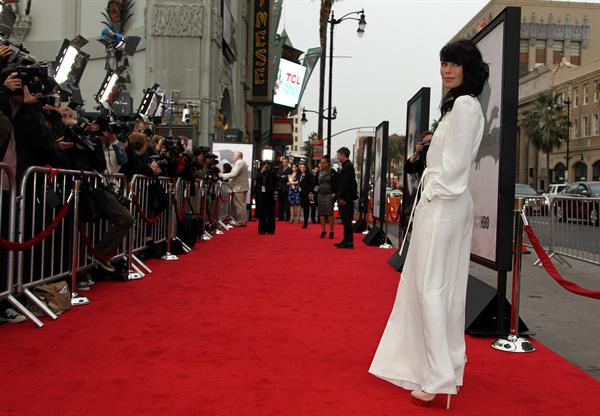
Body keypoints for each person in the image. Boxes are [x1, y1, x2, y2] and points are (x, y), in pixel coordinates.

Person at [369, 39, 488, 410]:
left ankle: (438, 376)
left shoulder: (466, 107)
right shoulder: (460, 107)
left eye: (454, 64)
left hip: (443, 204)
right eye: (443, 63)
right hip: (444, 204)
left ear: (468, 68)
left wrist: (431, 193)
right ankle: (448, 365)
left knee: (431, 289)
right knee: (441, 289)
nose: (447, 70)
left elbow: (453, 170)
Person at [334, 147, 357, 248]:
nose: (337, 157)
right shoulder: (346, 166)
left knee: (347, 220)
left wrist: (341, 197)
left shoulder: (348, 166)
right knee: (345, 220)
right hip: (345, 197)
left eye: (338, 155)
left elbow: (345, 184)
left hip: (346, 198)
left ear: (343, 155)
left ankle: (349, 241)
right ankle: (346, 239)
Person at [219, 151, 249, 226]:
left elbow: (234, 174)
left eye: (234, 156)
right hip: (240, 187)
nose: (233, 157)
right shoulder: (242, 163)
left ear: (238, 156)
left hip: (239, 187)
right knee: (240, 204)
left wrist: (223, 175)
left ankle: (241, 221)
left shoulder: (239, 163)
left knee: (239, 205)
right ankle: (240, 220)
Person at [316, 156, 337, 239]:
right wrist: (313, 192)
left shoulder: (332, 172)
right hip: (320, 194)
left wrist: (334, 193)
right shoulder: (319, 172)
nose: (322, 164)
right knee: (321, 213)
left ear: (328, 163)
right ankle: (323, 230)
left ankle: (331, 231)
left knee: (329, 213)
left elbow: (336, 183)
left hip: (329, 195)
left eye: (324, 162)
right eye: (321, 162)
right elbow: (316, 183)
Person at [254, 161, 276, 234]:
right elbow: (257, 180)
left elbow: (275, 182)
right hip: (261, 194)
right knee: (262, 212)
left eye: (267, 166)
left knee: (270, 212)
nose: (266, 167)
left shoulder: (272, 173)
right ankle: (262, 229)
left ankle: (271, 229)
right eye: (264, 166)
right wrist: (261, 172)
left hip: (270, 194)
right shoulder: (259, 172)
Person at [298, 162, 315, 229]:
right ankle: (304, 221)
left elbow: (312, 184)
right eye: (301, 167)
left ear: (306, 168)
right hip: (301, 193)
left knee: (307, 208)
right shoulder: (299, 175)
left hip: (308, 194)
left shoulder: (309, 175)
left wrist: (310, 191)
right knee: (303, 207)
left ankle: (306, 222)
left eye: (304, 167)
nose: (302, 168)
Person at [277, 156, 291, 221]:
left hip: (286, 188)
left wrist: (282, 177)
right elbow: (277, 177)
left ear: (287, 163)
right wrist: (282, 177)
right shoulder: (279, 169)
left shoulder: (289, 170)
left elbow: (288, 178)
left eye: (285, 162)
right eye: (283, 162)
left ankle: (287, 217)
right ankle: (281, 217)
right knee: (280, 203)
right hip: (280, 188)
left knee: (286, 204)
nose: (284, 163)